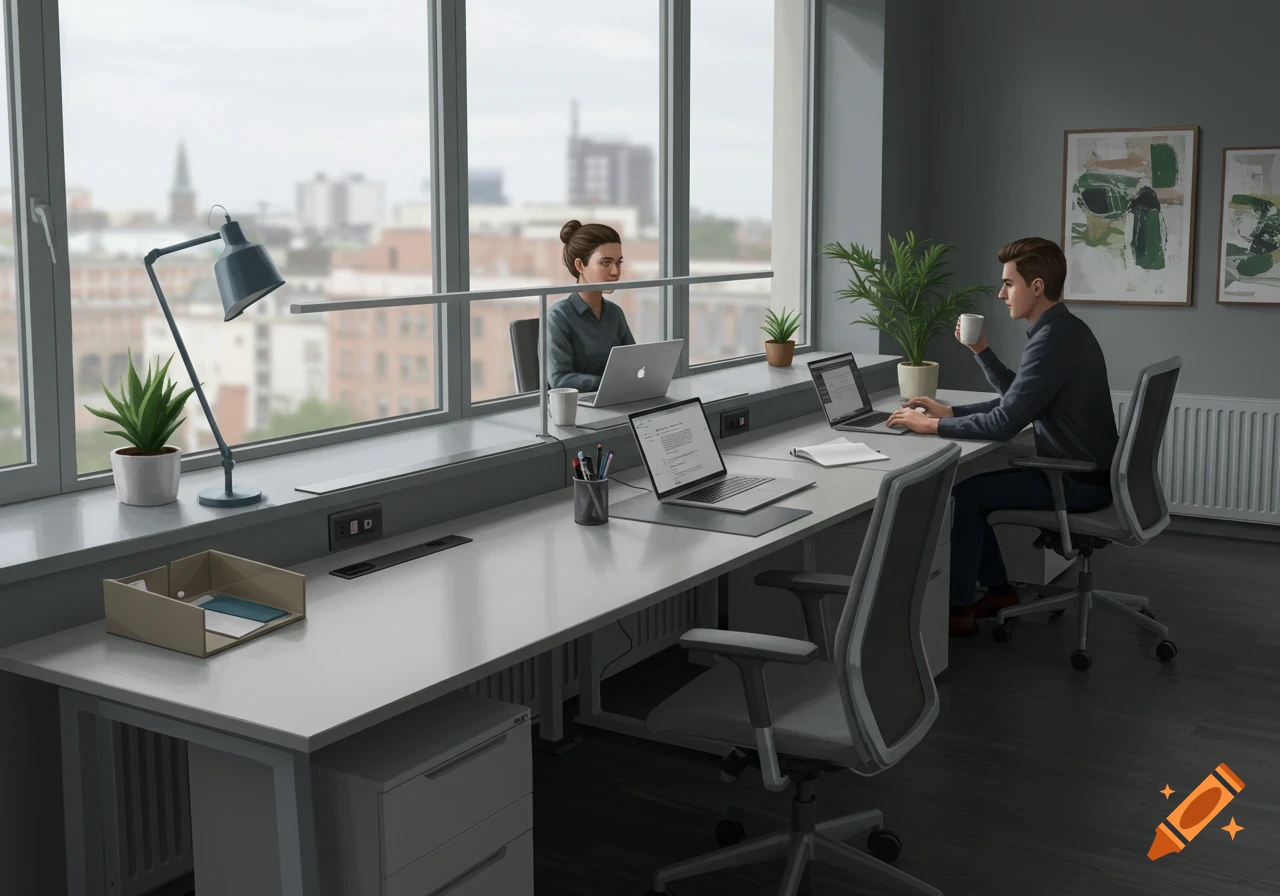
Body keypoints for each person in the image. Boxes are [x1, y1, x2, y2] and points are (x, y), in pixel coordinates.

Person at [884, 237, 1119, 637]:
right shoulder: (1065, 330)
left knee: (964, 498)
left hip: (1075, 481)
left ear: (1037, 287)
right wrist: (967, 382)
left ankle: (961, 609)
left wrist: (931, 425)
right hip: (1089, 473)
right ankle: (997, 592)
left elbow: (1004, 423)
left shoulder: (1051, 341)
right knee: (971, 495)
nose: (1001, 293)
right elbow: (1022, 398)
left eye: (1009, 284)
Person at [544, 220, 636, 391]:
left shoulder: (615, 313)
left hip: (616, 398)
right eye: (606, 263)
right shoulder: (558, 316)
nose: (615, 272)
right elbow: (560, 379)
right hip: (579, 408)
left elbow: (634, 362)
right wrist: (609, 384)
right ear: (580, 265)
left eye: (618, 263)